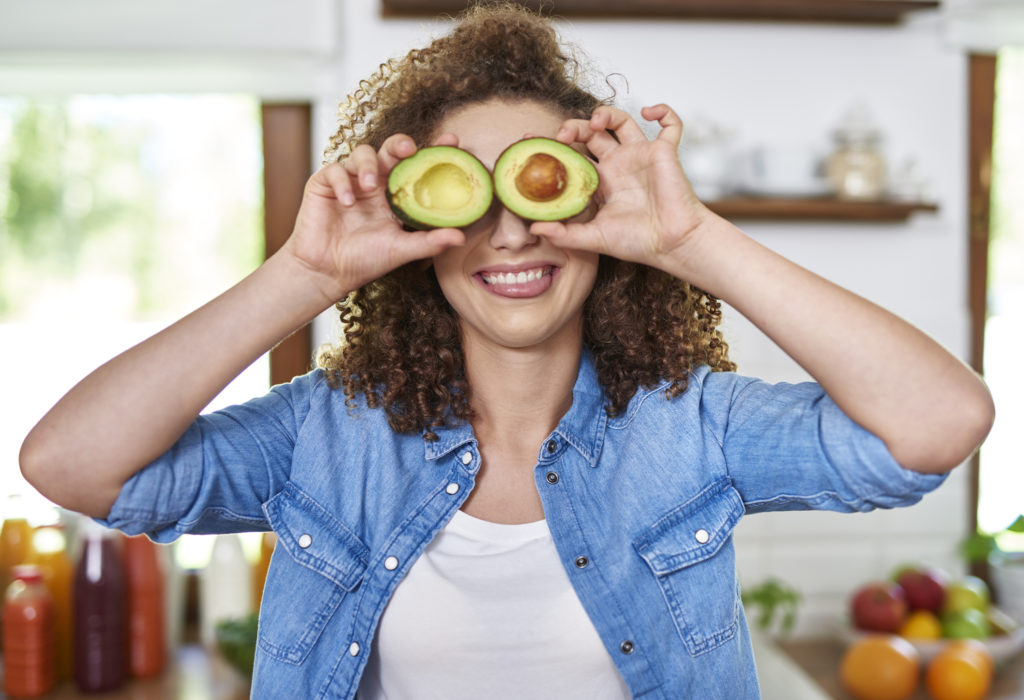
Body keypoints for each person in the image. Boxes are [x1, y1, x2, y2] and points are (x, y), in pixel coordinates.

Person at [20, 4, 993, 699]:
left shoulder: (694, 426)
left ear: (597, 213)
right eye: (465, 198)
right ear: (418, 235)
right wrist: (305, 275)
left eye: (539, 190)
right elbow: (69, 463)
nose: (510, 232)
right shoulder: (323, 434)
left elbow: (937, 424)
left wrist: (694, 242)